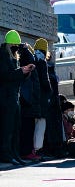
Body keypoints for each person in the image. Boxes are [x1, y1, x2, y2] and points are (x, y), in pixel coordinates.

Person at [0, 31, 35, 165]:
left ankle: (14, 153)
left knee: (15, 128)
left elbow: (14, 77)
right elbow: (5, 75)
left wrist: (25, 72)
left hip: (14, 96)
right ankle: (6, 153)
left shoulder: (13, 57)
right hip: (6, 97)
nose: (16, 48)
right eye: (14, 45)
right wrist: (21, 71)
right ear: (9, 45)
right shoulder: (3, 56)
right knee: (7, 128)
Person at [19, 40, 51, 161]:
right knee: (35, 127)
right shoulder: (40, 61)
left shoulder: (28, 59)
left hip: (30, 100)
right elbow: (44, 82)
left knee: (30, 127)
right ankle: (34, 150)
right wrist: (49, 92)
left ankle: (31, 150)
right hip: (36, 100)